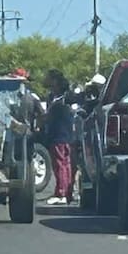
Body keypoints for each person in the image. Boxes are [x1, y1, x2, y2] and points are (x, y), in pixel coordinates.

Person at [43, 69, 75, 206]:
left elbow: (50, 117)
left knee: (60, 164)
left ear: (55, 81)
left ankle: (61, 193)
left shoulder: (60, 99)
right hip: (66, 135)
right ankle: (67, 192)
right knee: (66, 164)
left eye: (49, 78)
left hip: (59, 135)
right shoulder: (60, 98)